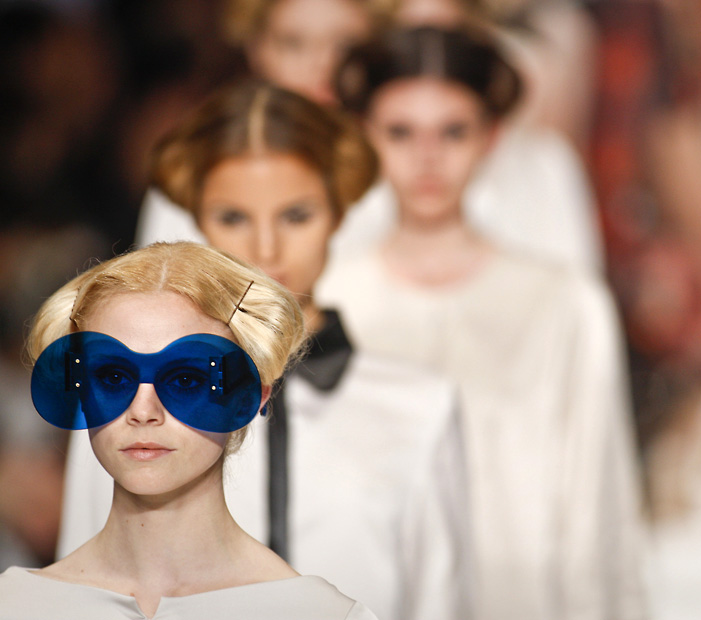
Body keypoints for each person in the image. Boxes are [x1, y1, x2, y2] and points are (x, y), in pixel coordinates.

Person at [58, 80, 470, 620]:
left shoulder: (418, 409)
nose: (266, 248)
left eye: (297, 215)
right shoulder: (127, 400)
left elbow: (442, 604)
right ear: (196, 221)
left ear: (338, 215)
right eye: (233, 217)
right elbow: (79, 591)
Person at [318, 26, 647, 620]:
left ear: (491, 137)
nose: (427, 157)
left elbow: (600, 498)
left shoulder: (564, 304)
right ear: (365, 136)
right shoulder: (329, 300)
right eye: (400, 132)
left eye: (453, 132)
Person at [0, 241, 377, 619]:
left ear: (249, 397)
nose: (142, 412)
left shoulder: (321, 614)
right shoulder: (15, 604)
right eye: (113, 377)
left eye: (185, 380)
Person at [135, 0, 604, 274]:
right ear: (255, 47)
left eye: (343, 44)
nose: (320, 66)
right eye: (293, 42)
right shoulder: (196, 166)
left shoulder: (401, 167)